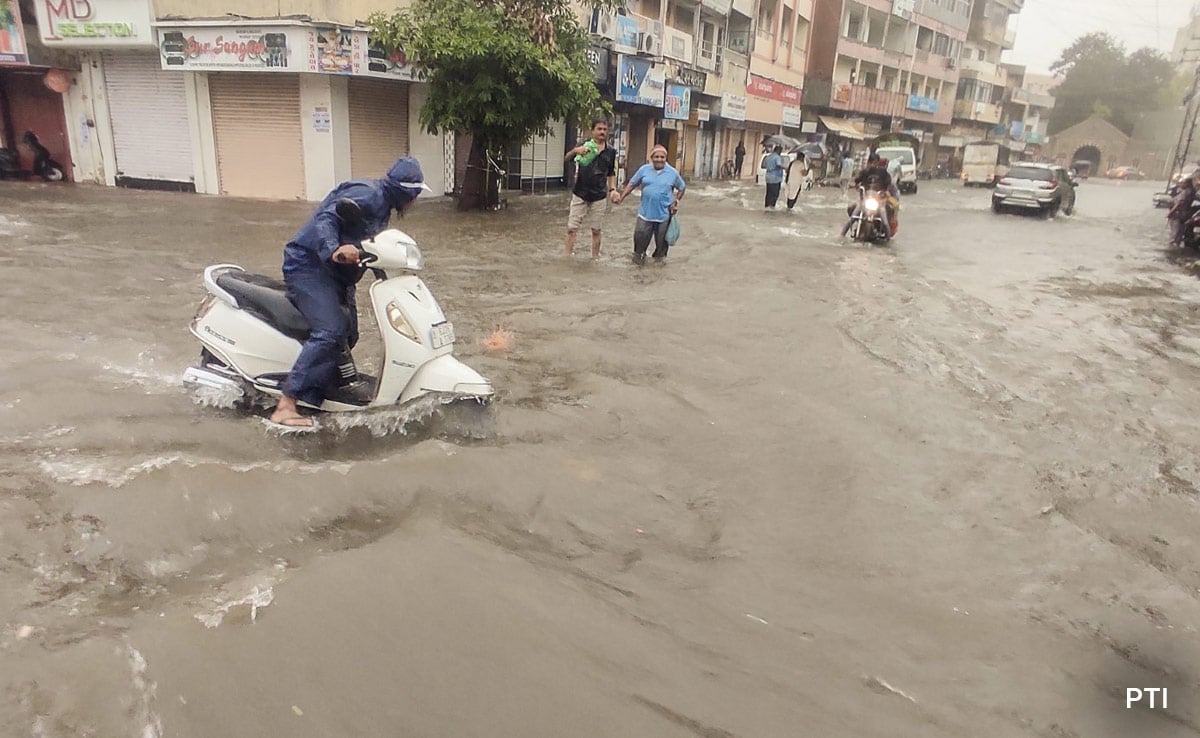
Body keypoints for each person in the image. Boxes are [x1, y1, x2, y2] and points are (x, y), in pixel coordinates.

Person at [270, 157, 431, 427]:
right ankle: (286, 404)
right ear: (407, 192)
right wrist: (334, 248)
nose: (414, 203)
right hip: (309, 267)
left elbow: (368, 242)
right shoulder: (367, 195)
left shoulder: (384, 208)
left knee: (350, 334)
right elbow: (326, 218)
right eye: (415, 196)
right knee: (331, 330)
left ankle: (317, 391)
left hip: (336, 274)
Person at [614, 144, 686, 264]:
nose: (659, 159)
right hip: (644, 215)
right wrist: (621, 197)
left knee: (661, 251)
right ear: (651, 158)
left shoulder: (672, 173)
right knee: (638, 248)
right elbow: (632, 184)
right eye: (656, 157)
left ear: (665, 158)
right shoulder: (644, 170)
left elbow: (682, 188)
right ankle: (639, 271)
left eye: (662, 157)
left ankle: (657, 275)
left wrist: (676, 201)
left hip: (664, 216)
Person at [564, 118, 618, 259]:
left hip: (599, 195)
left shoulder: (611, 151)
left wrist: (613, 189)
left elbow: (611, 172)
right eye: (599, 129)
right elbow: (566, 158)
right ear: (592, 131)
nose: (602, 132)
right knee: (571, 229)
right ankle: (567, 257)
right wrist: (576, 151)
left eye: (605, 130)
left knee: (596, 230)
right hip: (580, 192)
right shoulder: (584, 145)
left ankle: (595, 258)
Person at [842, 153, 895, 236]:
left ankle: (888, 239)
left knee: (885, 222)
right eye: (870, 162)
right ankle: (841, 236)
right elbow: (856, 181)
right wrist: (854, 185)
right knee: (852, 219)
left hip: (879, 202)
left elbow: (889, 184)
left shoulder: (883, 173)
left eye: (874, 162)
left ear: (878, 162)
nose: (872, 164)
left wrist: (887, 191)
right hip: (865, 201)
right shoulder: (865, 172)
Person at [1168, 173, 1198, 247]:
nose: (1181, 184)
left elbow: (1179, 203)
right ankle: (1176, 246)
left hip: (1178, 214)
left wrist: (1171, 212)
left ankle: (1172, 248)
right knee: (1179, 232)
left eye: (1182, 183)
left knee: (1175, 233)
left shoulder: (1186, 192)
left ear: (1187, 184)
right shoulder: (1191, 192)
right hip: (1184, 215)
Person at [764, 145, 785, 209]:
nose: (781, 153)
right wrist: (784, 167)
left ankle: (766, 206)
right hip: (776, 178)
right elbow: (778, 165)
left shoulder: (768, 157)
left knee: (768, 193)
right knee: (775, 194)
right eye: (780, 151)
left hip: (768, 177)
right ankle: (772, 207)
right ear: (778, 151)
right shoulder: (777, 157)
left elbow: (765, 165)